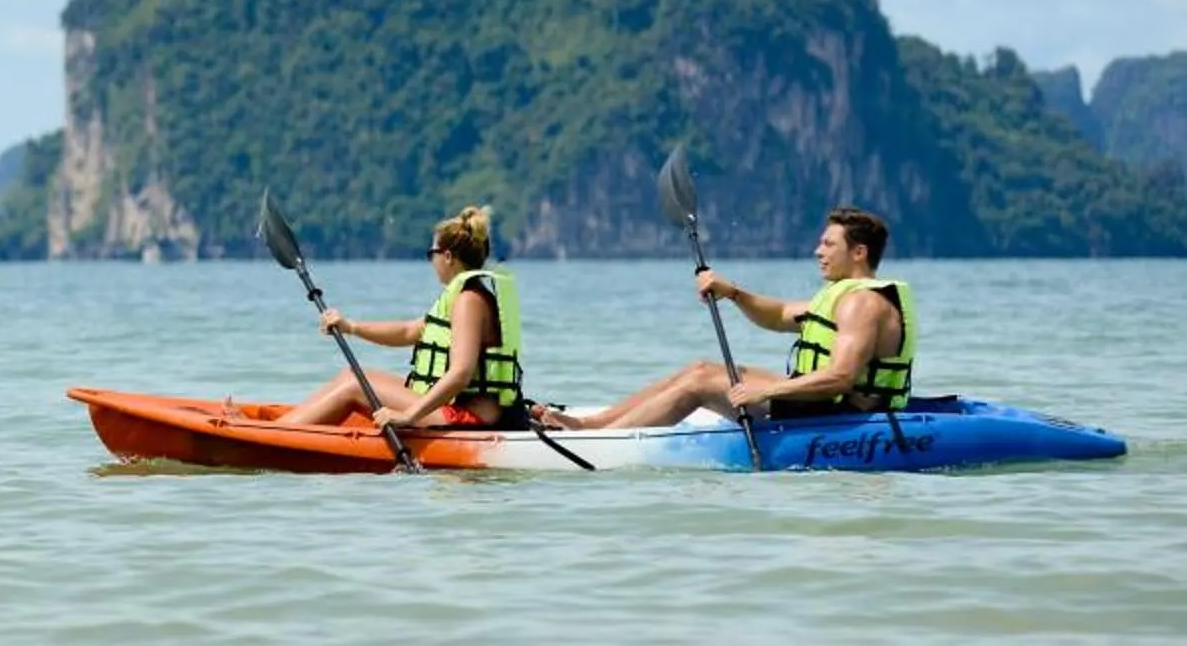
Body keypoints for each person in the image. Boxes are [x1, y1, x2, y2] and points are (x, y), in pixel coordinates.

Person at [540, 205, 915, 430]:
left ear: (860, 252)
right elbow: (780, 314)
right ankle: (593, 424)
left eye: (828, 244)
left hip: (838, 416)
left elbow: (840, 377)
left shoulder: (864, 304)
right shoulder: (844, 297)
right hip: (817, 403)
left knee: (700, 383)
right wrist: (732, 292)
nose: (818, 251)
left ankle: (603, 444)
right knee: (700, 367)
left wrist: (764, 390)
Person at [277, 205, 525, 430]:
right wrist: (350, 326)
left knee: (354, 386)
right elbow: (409, 331)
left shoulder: (468, 301)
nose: (432, 261)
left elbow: (460, 374)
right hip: (455, 408)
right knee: (351, 376)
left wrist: (408, 416)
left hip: (467, 418)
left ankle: (277, 435)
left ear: (447, 256)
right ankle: (283, 426)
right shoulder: (463, 296)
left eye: (432, 254)